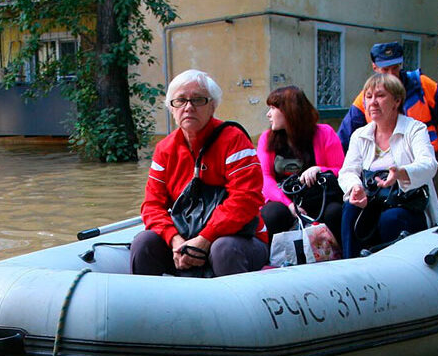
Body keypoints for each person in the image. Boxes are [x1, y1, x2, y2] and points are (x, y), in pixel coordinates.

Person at [131, 69, 268, 276]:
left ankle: (229, 307)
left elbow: (245, 199)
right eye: (180, 101)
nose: (188, 107)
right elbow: (152, 206)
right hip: (184, 238)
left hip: (241, 241)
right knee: (144, 243)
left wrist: (204, 239)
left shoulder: (234, 140)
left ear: (212, 105)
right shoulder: (164, 149)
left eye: (198, 100)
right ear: (171, 108)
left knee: (223, 249)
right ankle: (147, 306)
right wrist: (175, 240)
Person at [336, 41, 438, 204]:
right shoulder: (366, 98)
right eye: (385, 70)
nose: (391, 74)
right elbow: (345, 137)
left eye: (395, 68)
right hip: (387, 173)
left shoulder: (423, 86)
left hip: (431, 160)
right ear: (375, 67)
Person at [338, 74, 438, 259]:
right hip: (373, 203)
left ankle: (397, 270)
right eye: (368, 97)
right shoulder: (359, 135)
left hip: (408, 204)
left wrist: (402, 173)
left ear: (396, 101)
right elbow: (347, 171)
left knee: (391, 219)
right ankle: (351, 267)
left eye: (380, 96)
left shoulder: (415, 129)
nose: (373, 102)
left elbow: (429, 164)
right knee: (350, 209)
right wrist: (355, 187)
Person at [256, 86, 345, 242]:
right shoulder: (267, 138)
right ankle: (275, 260)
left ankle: (339, 258)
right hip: (284, 200)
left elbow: (342, 171)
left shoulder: (325, 133)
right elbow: (265, 178)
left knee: (335, 212)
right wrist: (290, 205)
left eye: (273, 108)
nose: (268, 114)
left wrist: (320, 169)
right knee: (272, 214)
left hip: (319, 198)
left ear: (289, 111)